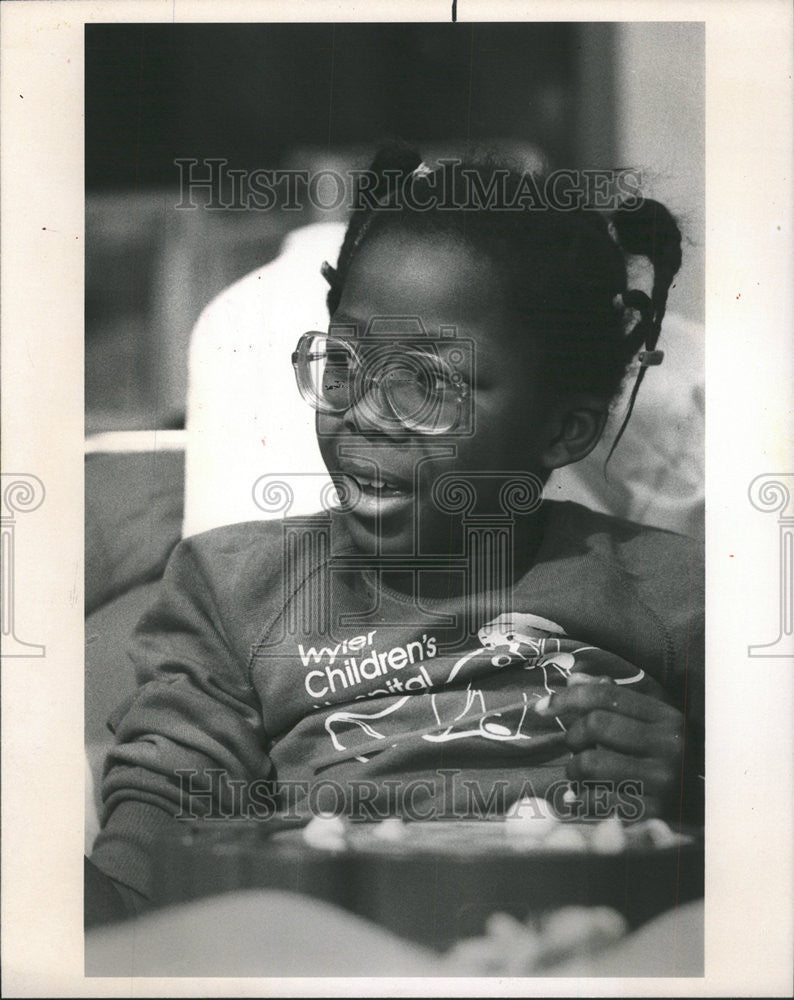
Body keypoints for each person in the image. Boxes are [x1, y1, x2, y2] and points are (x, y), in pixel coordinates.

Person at [87, 144, 704, 923]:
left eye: (427, 383)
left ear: (564, 429)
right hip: (329, 946)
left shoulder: (676, 591)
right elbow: (158, 832)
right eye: (344, 363)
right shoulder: (236, 590)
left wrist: (694, 780)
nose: (367, 413)